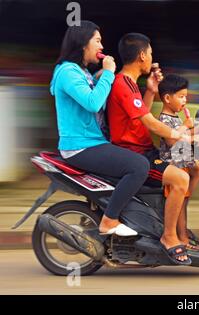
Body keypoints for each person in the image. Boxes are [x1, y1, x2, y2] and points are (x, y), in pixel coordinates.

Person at [107, 33, 199, 264]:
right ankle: (169, 236)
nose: (151, 58)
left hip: (143, 149)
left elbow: (139, 116)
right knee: (180, 179)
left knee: (191, 168)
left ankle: (178, 229)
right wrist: (179, 134)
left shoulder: (130, 84)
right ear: (142, 55)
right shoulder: (122, 84)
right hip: (135, 154)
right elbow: (150, 122)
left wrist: (150, 90)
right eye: (150, 53)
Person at [50, 21, 150, 237]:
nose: (101, 46)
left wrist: (98, 79)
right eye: (97, 41)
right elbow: (93, 103)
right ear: (82, 43)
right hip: (80, 146)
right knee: (139, 166)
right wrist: (107, 74)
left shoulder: (81, 72)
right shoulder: (68, 72)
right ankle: (109, 220)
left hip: (94, 142)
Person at [158, 74, 199, 251]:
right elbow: (172, 140)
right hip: (173, 166)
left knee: (198, 167)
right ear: (168, 98)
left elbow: (185, 137)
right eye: (181, 96)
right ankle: (182, 238)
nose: (184, 100)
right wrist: (187, 127)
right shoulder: (164, 119)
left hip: (183, 162)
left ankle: (186, 198)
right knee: (180, 204)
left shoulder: (176, 118)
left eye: (186, 96)